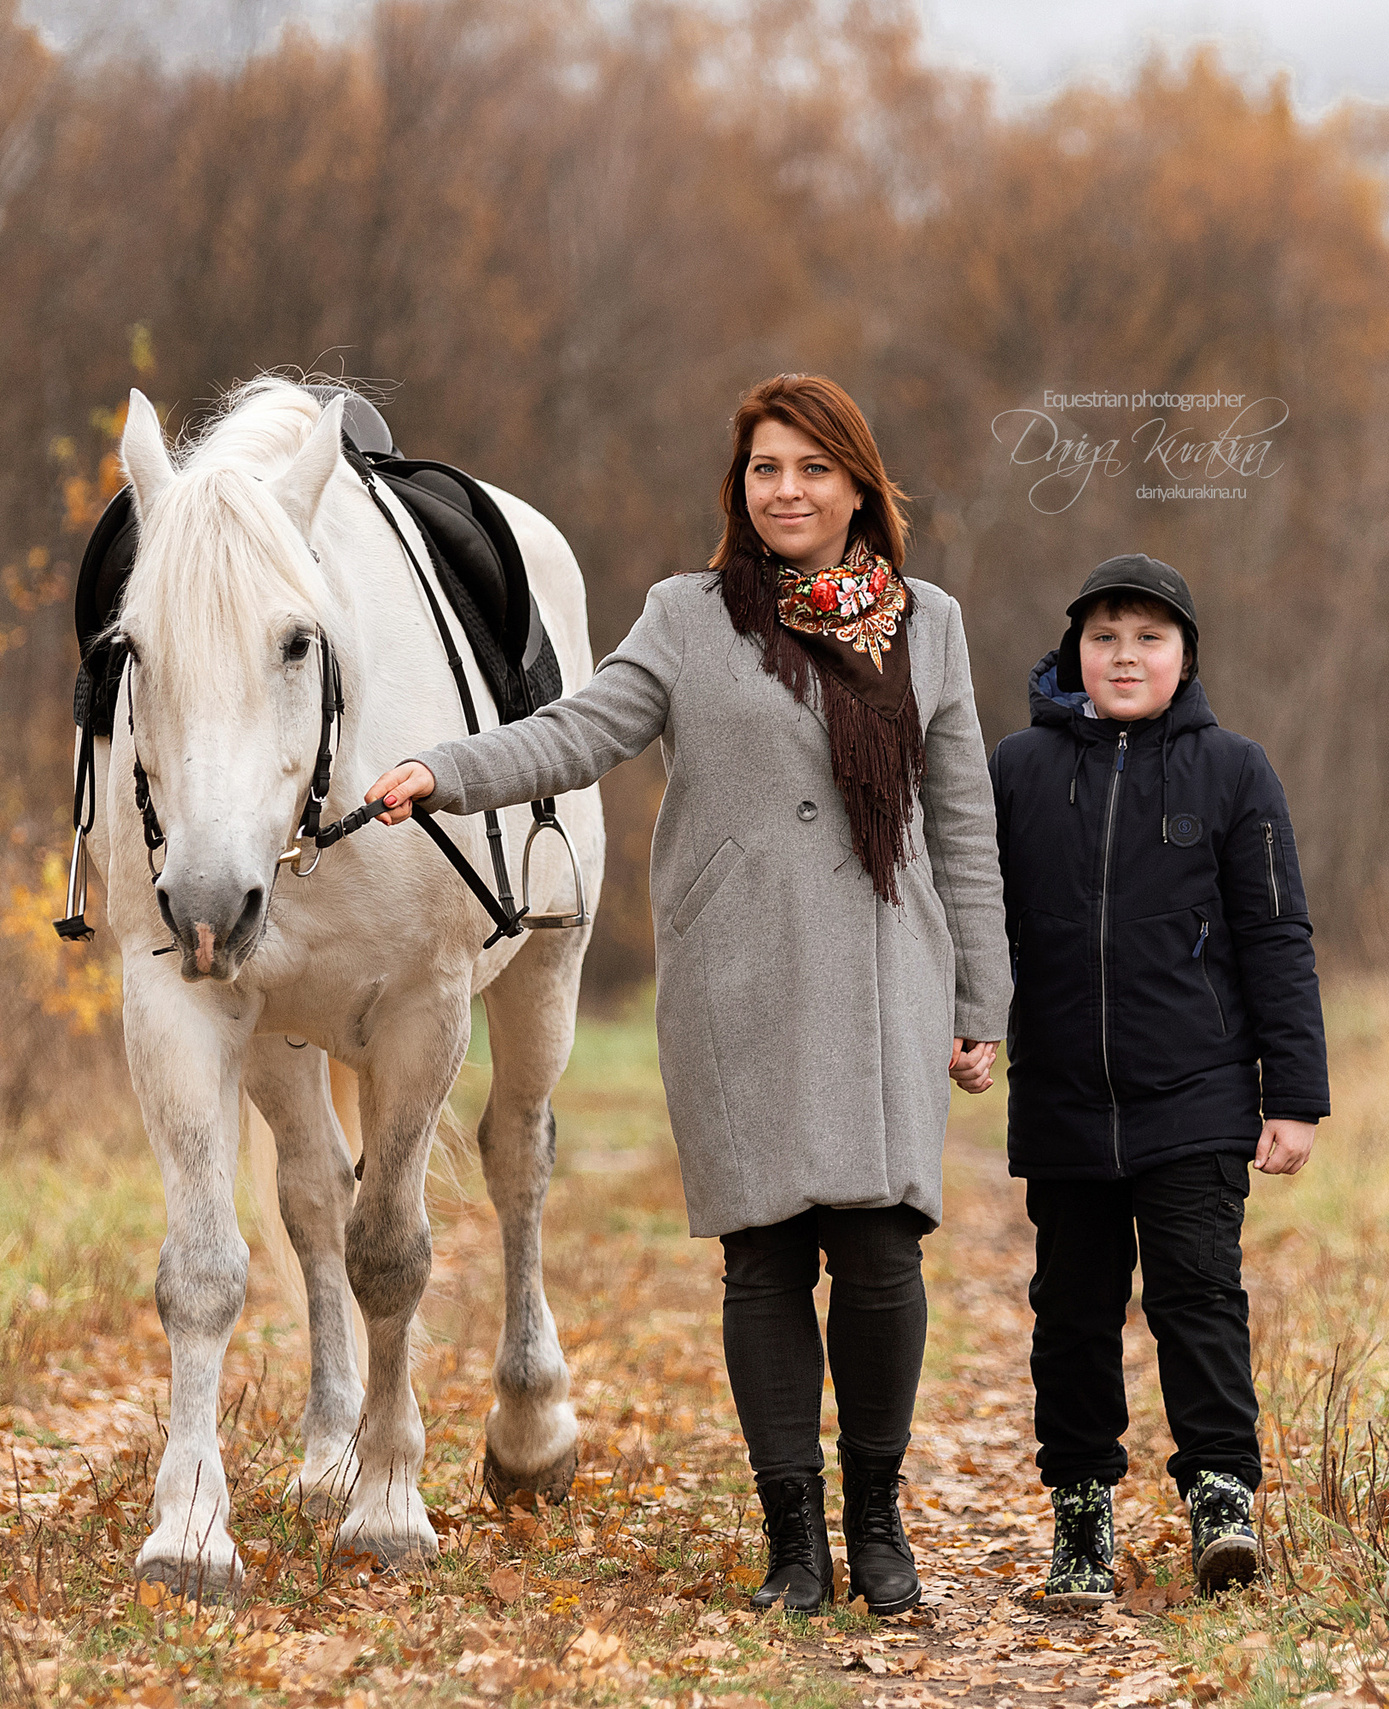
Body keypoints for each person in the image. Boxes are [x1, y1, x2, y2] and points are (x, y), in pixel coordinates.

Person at [365, 374, 1010, 1616]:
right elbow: (573, 733)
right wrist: (443, 771)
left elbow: (964, 816)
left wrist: (981, 988)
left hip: (887, 964)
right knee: (763, 1256)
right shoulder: (685, 617)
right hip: (740, 977)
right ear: (740, 487)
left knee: (879, 1256)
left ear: (859, 484)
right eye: (767, 469)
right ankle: (794, 1545)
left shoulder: (928, 623)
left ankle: (875, 1525)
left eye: (814, 468)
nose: (788, 491)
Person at [987, 553, 1328, 1606]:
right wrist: (966, 1024)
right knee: (1072, 1310)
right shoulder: (1016, 770)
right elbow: (975, 919)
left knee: (1197, 1296)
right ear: (1071, 652)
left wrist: (1293, 1092)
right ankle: (1080, 1513)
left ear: (1185, 656)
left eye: (1147, 637)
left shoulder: (1234, 769)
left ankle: (1221, 1495)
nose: (1123, 655)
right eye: (1102, 636)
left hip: (1198, 1091)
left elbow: (1276, 935)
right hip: (1062, 1096)